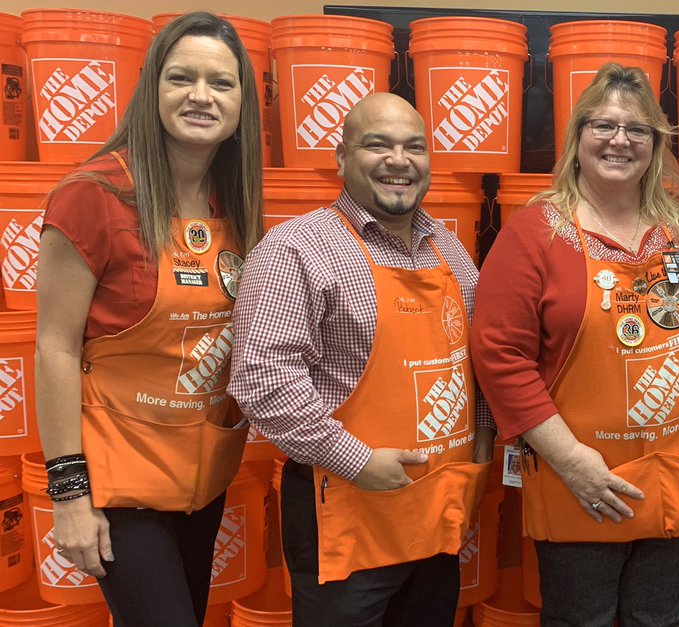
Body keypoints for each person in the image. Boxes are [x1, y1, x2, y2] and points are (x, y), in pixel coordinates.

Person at [471, 63, 679, 627]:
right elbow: (500, 356)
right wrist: (571, 460)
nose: (620, 140)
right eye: (604, 125)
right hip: (583, 483)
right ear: (578, 136)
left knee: (663, 619)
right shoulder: (534, 232)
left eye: (637, 129)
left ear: (656, 144)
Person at [228, 92, 495, 627]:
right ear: (342, 156)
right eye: (378, 145)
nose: (399, 161)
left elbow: (478, 357)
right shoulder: (297, 248)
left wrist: (482, 440)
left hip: (437, 509)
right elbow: (263, 378)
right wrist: (357, 461)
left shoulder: (449, 248)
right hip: (346, 513)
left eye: (414, 147)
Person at [35, 12, 262, 626]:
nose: (201, 96)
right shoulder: (92, 195)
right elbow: (55, 349)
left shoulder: (233, 199)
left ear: (243, 102)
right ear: (151, 88)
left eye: (221, 82)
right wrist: (69, 494)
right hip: (119, 482)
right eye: (181, 78)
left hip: (201, 480)